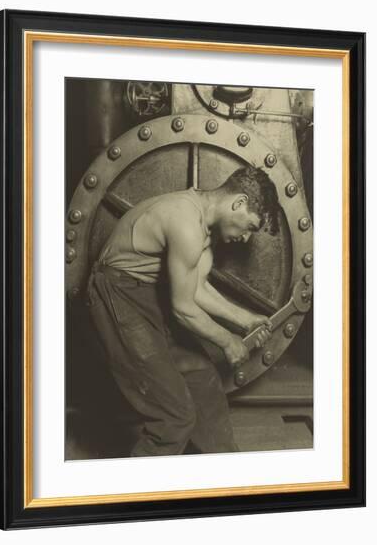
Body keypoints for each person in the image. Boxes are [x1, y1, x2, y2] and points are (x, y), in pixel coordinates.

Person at [85, 165, 280, 457]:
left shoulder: (203, 228)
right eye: (251, 226)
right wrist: (227, 341)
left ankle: (226, 477)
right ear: (238, 203)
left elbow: (197, 288)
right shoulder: (185, 221)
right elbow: (183, 307)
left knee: (203, 380)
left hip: (147, 294)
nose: (247, 238)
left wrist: (246, 319)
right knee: (174, 415)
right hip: (117, 295)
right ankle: (134, 497)